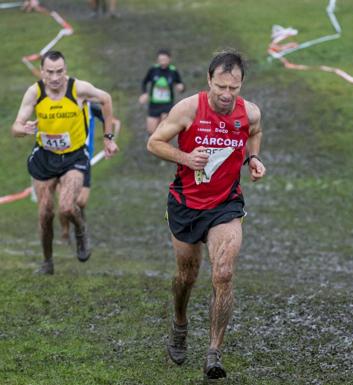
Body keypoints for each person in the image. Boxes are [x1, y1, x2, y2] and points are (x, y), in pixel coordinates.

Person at [147, 50, 265, 380]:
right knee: (186, 276)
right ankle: (180, 321)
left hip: (225, 204)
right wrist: (186, 157)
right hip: (186, 204)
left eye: (234, 88)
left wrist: (252, 160)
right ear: (209, 80)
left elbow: (254, 133)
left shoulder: (250, 113)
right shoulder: (188, 108)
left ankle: (214, 351)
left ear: (241, 84)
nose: (227, 95)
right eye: (220, 87)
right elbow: (154, 143)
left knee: (223, 273)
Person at [11, 50, 119, 274]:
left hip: (74, 157)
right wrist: (24, 129)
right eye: (50, 72)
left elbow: (106, 99)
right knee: (45, 214)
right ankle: (47, 262)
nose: (55, 77)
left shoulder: (78, 89)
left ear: (65, 70)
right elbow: (16, 127)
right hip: (45, 157)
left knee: (68, 206)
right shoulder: (35, 92)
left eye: (59, 71)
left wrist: (107, 138)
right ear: (42, 72)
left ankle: (80, 231)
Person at [59, 102, 121, 243]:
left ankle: (79, 226)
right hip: (62, 158)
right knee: (65, 203)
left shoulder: (91, 107)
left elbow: (108, 119)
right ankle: (65, 231)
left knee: (81, 202)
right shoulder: (62, 106)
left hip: (83, 158)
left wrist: (109, 140)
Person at [139, 49, 184, 135]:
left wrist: (181, 87)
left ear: (169, 59)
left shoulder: (173, 71)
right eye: (160, 60)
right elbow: (144, 82)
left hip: (167, 104)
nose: (163, 62)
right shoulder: (153, 70)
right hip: (154, 104)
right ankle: (153, 147)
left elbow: (180, 84)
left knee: (163, 130)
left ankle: (162, 146)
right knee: (151, 131)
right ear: (157, 60)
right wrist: (144, 93)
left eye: (165, 60)